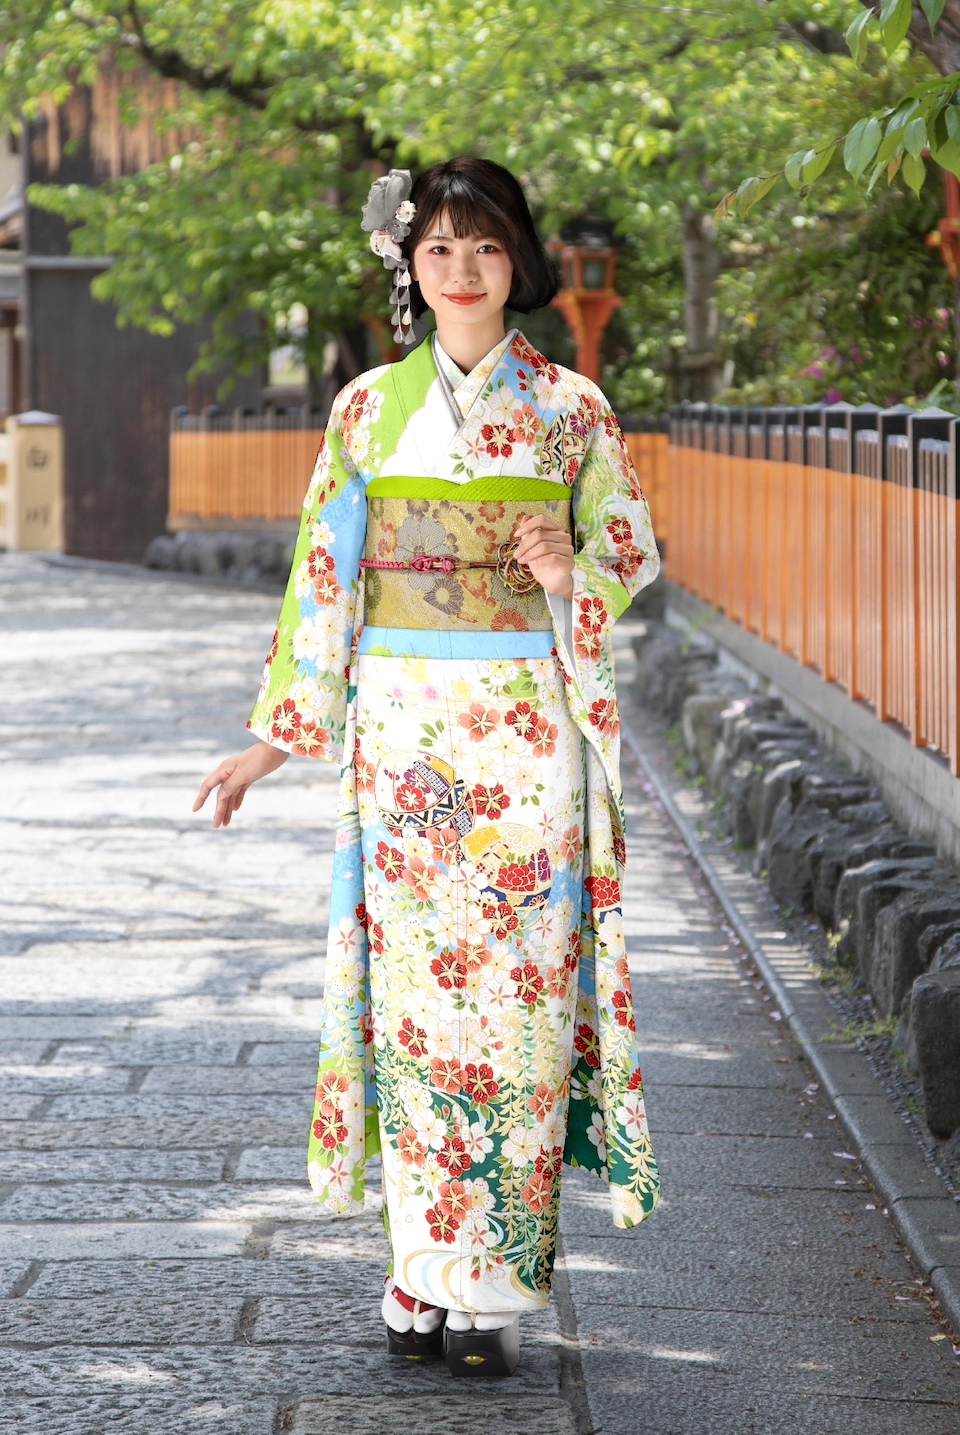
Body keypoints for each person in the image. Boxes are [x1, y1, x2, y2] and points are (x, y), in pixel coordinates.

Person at [194, 156, 661, 1377]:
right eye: (440, 248)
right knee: (415, 1003)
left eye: (486, 247)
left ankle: (492, 1285)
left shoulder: (571, 409)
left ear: (520, 263)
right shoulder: (365, 411)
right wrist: (272, 743)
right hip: (402, 734)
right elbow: (324, 586)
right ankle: (418, 1267)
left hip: (525, 735)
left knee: (516, 1000)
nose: (463, 270)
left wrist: (566, 572)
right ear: (410, 264)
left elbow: (629, 553)